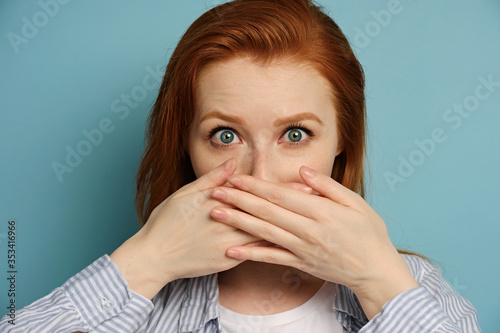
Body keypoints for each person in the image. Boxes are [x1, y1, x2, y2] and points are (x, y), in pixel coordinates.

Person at [1, 0, 480, 332]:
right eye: (225, 135)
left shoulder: (411, 288)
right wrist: (144, 260)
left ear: (341, 145)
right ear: (186, 148)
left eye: (296, 135)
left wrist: (379, 280)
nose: (259, 177)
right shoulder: (138, 301)